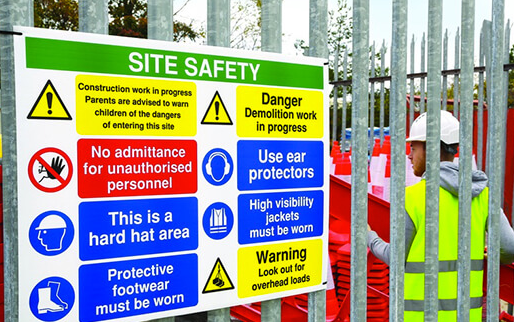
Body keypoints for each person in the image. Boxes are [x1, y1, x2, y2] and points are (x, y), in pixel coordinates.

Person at [367, 110, 514, 321]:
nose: (409, 155)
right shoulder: (483, 196)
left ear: (431, 148)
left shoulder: (412, 198)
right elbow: (509, 248)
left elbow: (396, 258)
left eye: (413, 148)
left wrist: (370, 238)